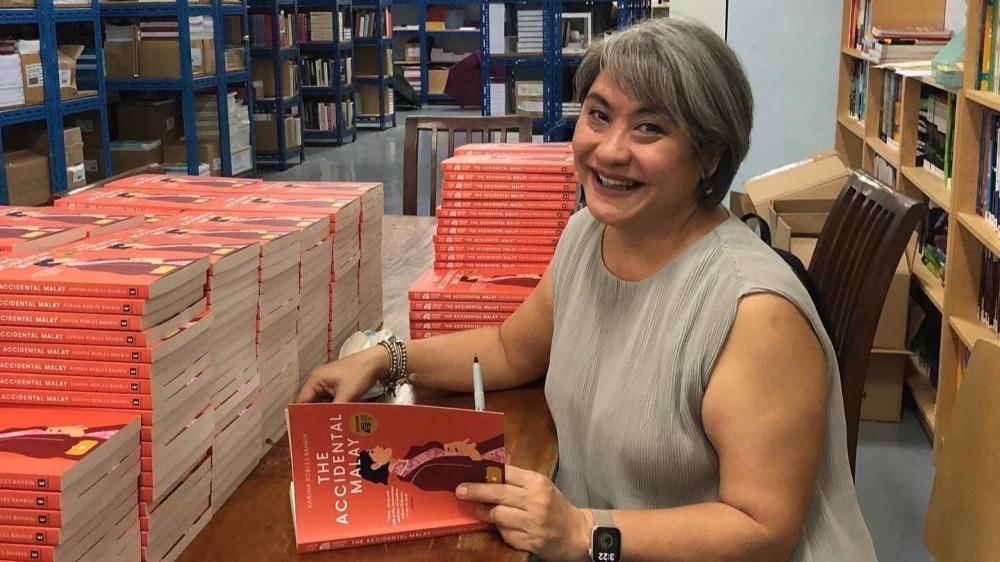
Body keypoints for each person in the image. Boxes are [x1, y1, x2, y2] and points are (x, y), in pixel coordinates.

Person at [297, 16, 877, 562]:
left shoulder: (754, 313)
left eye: (650, 127)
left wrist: (582, 530)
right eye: (599, 115)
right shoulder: (587, 235)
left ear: (709, 157)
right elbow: (508, 350)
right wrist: (384, 360)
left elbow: (763, 531)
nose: (610, 148)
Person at [356, 435, 505, 492]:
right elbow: (473, 476)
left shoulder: (412, 454)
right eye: (372, 452)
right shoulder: (420, 478)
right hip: (498, 467)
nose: (376, 447)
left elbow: (445, 452)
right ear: (376, 466)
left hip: (493, 447)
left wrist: (454, 445)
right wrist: (471, 454)